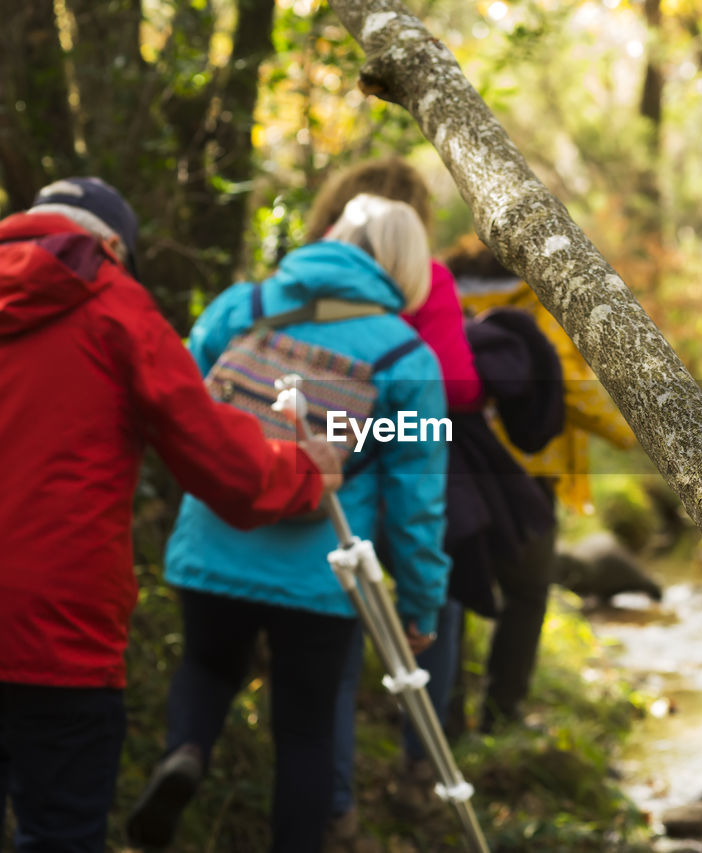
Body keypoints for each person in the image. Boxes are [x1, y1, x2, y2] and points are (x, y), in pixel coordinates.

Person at [0, 176, 341, 853]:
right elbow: (217, 458)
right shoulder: (119, 311)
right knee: (60, 821)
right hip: (59, 615)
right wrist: (305, 470)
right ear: (111, 244)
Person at [126, 194, 451, 853]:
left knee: (207, 667)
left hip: (213, 541)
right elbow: (418, 498)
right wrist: (421, 602)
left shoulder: (239, 307)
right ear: (404, 262)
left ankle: (185, 750)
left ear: (331, 236)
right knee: (304, 731)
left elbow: (180, 416)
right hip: (320, 572)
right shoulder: (406, 357)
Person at [303, 159, 483, 843]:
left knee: (334, 651)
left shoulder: (301, 272)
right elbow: (458, 386)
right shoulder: (426, 280)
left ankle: (336, 806)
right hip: (398, 478)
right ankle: (422, 769)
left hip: (312, 487)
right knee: (434, 603)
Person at [446, 235, 638, 732]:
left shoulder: (438, 295)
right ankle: (500, 715)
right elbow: (568, 382)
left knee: (447, 594)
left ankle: (442, 723)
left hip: (453, 468)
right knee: (527, 593)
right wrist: (631, 429)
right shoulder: (539, 303)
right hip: (528, 474)